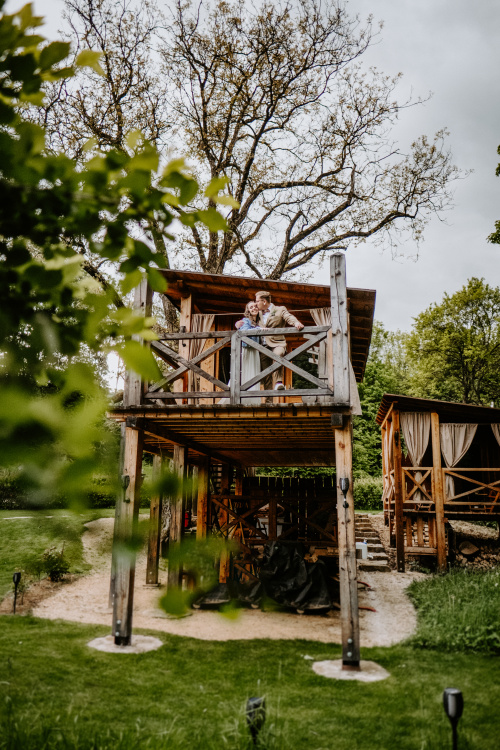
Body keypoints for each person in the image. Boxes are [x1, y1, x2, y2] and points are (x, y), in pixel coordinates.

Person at [254, 290, 304, 401]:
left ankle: (278, 382)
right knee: (266, 374)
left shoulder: (280, 309)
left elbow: (288, 317)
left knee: (278, 355)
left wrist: (296, 323)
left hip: (277, 343)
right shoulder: (258, 312)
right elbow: (249, 319)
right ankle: (269, 401)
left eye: (257, 301)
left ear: (264, 301)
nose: (256, 303)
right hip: (262, 345)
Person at [219, 301, 262, 405]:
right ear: (248, 311)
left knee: (253, 372)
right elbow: (246, 332)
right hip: (247, 349)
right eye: (251, 307)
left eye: (255, 306)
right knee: (243, 371)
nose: (254, 308)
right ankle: (236, 398)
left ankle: (252, 400)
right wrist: (259, 329)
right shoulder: (245, 320)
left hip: (255, 350)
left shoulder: (259, 321)